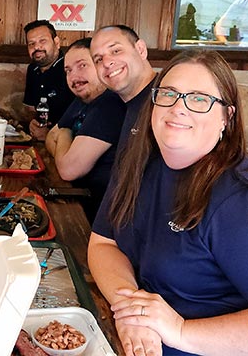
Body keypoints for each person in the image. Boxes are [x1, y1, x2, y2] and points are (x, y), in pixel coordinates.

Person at [88, 50, 248, 356]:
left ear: (226, 117)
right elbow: (104, 243)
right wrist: (130, 308)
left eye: (199, 99)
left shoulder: (236, 197)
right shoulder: (139, 163)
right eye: (169, 94)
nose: (178, 108)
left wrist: (180, 331)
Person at [45, 38, 125, 221]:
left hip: (98, 214)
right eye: (68, 71)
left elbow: (68, 169)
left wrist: (65, 134)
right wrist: (65, 149)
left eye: (82, 65)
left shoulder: (110, 104)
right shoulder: (83, 100)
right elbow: (50, 137)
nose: (73, 77)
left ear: (100, 65)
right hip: (76, 196)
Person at [90, 25, 156, 149]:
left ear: (140, 49)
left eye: (116, 51)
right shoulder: (126, 104)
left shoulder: (166, 102)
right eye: (98, 59)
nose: (106, 63)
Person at [22, 20, 74, 141]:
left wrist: (50, 134)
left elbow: (80, 116)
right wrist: (33, 123)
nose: (37, 47)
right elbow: (30, 108)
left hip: (67, 142)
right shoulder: (32, 69)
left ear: (56, 42)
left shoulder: (70, 68)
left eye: (42, 41)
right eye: (31, 43)